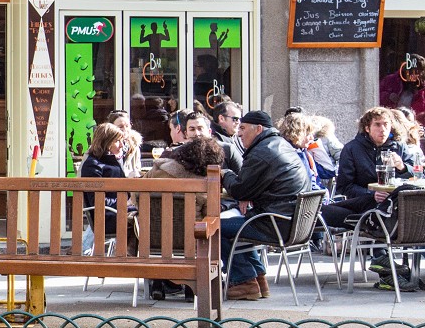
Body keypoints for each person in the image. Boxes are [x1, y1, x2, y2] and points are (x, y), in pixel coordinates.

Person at [220, 110, 311, 301]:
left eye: (243, 128)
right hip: (289, 222)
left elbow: (239, 189)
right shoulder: (280, 145)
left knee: (214, 229)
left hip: (274, 224)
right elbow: (250, 188)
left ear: (258, 129)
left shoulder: (263, 152)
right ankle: (258, 279)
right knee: (239, 223)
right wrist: (246, 193)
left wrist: (225, 173)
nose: (239, 133)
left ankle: (244, 281)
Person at [145, 135, 226, 300]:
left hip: (153, 239)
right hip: (191, 242)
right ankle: (191, 289)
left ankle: (159, 283)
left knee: (163, 229)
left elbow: (137, 197)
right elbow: (209, 216)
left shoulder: (158, 170)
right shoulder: (205, 184)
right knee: (207, 229)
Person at [79, 122, 138, 255]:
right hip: (106, 216)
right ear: (106, 142)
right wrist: (126, 202)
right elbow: (98, 201)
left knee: (150, 214)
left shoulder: (110, 161)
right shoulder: (93, 165)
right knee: (145, 218)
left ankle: (130, 257)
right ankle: (131, 259)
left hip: (118, 211)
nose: (122, 145)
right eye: (118, 141)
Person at [277, 111, 335, 192]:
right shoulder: (287, 153)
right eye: (308, 134)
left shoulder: (302, 151)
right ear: (296, 134)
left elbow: (328, 172)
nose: (312, 138)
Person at [210, 99, 245, 174]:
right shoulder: (213, 140)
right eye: (235, 119)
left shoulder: (237, 137)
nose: (238, 122)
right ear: (221, 118)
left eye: (240, 119)